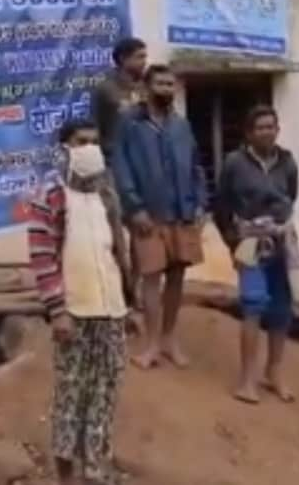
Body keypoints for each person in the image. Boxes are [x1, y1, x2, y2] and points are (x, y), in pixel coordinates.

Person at [28, 118, 131, 485]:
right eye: (81, 142)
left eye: (94, 141)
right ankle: (66, 476)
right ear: (64, 148)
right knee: (71, 396)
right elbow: (42, 254)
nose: (90, 148)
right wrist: (57, 311)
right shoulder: (52, 194)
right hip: (74, 312)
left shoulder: (106, 193)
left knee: (105, 393)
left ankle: (96, 468)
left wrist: (127, 302)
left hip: (111, 310)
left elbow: (118, 250)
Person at [112, 64, 206, 369]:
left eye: (170, 85)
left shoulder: (182, 125)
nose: (166, 89)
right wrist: (134, 207)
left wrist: (201, 204)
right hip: (147, 215)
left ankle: (169, 339)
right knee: (151, 277)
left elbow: (196, 166)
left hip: (183, 214)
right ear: (147, 87)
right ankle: (151, 343)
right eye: (161, 84)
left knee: (177, 276)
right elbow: (121, 165)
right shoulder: (129, 123)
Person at [214, 105, 299, 404]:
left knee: (282, 307)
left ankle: (274, 372)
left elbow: (291, 196)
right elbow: (221, 204)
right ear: (249, 133)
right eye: (260, 127)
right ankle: (247, 379)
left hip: (282, 241)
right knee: (253, 303)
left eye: (271, 126)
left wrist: (279, 227)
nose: (267, 131)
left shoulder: (287, 162)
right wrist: (231, 240)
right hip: (248, 240)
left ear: (278, 129)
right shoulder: (235, 163)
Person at [91, 37, 146, 164]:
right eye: (140, 57)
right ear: (123, 58)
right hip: (116, 161)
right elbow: (95, 126)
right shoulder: (105, 89)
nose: (144, 62)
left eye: (145, 57)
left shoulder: (146, 87)